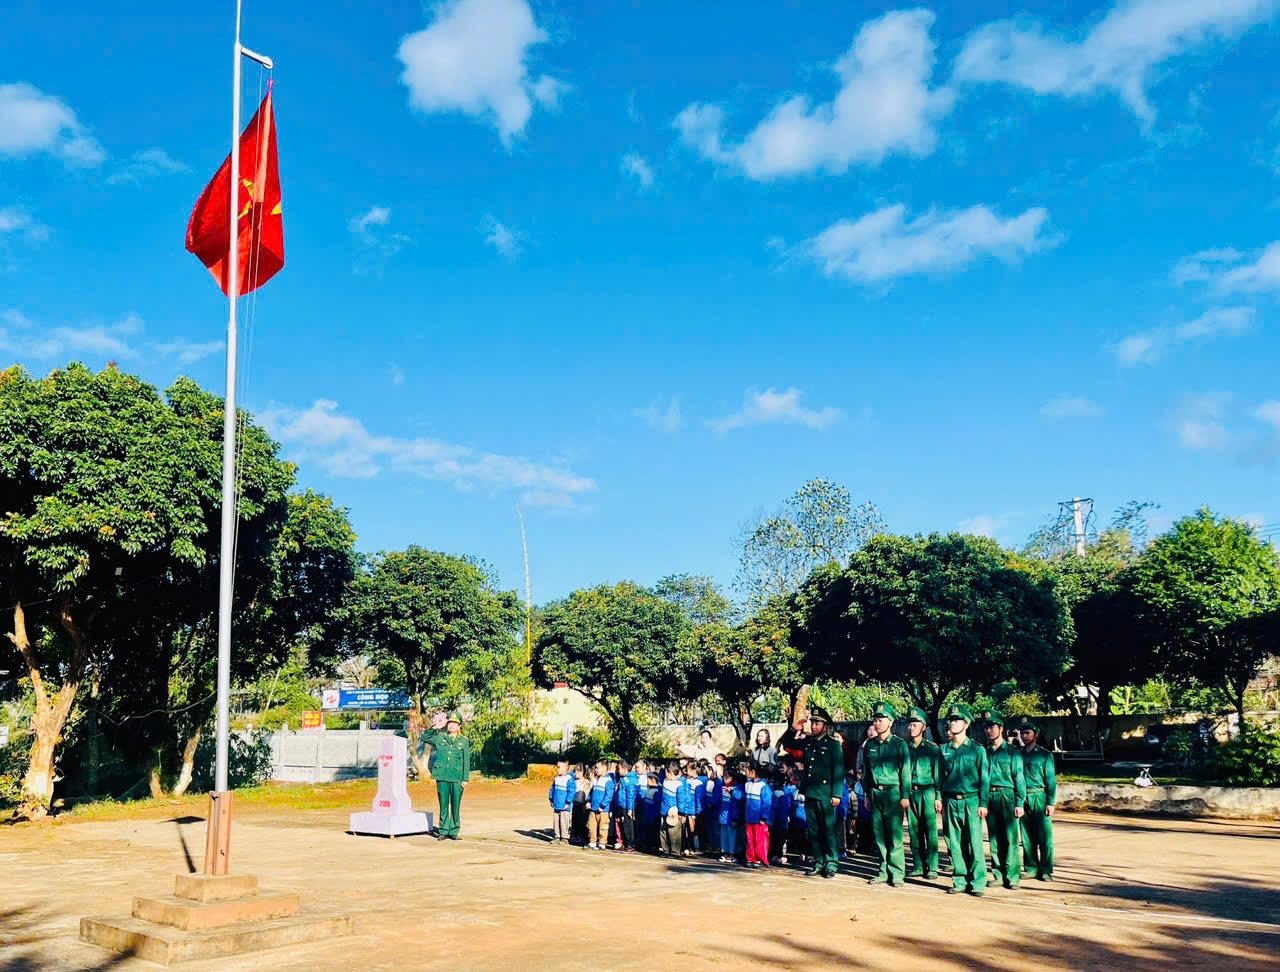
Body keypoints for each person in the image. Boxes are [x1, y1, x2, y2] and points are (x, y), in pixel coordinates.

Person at [781, 706, 845, 878]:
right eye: (812, 722)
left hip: (826, 793)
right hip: (810, 792)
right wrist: (794, 728)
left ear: (825, 726)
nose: (813, 725)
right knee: (814, 830)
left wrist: (836, 794)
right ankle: (819, 861)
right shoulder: (808, 742)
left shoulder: (833, 745)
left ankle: (831, 863)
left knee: (828, 830)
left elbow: (838, 770)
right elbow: (787, 745)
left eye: (817, 723)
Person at [939, 703, 989, 896]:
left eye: (957, 720)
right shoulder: (944, 750)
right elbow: (940, 777)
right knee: (955, 843)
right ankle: (960, 879)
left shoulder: (977, 750)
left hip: (972, 800)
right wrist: (940, 798)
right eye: (951, 720)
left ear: (966, 724)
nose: (952, 723)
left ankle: (978, 882)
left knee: (975, 842)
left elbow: (984, 778)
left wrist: (984, 803)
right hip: (951, 800)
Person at [862, 701, 911, 886]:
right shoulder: (869, 745)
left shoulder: (899, 745)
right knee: (879, 834)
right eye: (875, 719)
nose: (877, 722)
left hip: (893, 793)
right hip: (875, 793)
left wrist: (905, 796)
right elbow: (866, 772)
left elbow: (905, 773)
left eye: (881, 719)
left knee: (895, 835)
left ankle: (897, 873)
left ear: (890, 722)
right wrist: (867, 794)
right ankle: (883, 870)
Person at [979, 709, 1025, 889]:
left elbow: (1019, 777)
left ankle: (1013, 876)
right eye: (986, 727)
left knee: (1011, 838)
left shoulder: (1013, 751)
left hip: (1007, 795)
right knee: (994, 838)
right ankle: (998, 874)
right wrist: (983, 802)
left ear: (1001, 728)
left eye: (992, 726)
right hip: (989, 796)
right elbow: (981, 778)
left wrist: (1019, 803)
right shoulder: (984, 752)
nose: (989, 730)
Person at [904, 706, 942, 878]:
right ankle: (918, 865)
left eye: (915, 723)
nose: (911, 727)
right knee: (913, 830)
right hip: (911, 792)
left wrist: (938, 797)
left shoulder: (932, 749)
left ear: (923, 727)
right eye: (910, 724)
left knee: (930, 830)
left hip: (928, 792)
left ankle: (932, 866)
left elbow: (938, 775)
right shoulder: (905, 748)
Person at [1017, 717, 1057, 881]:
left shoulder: (1044, 755)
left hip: (1039, 796)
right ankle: (1031, 868)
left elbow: (1051, 780)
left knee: (1044, 836)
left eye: (1028, 733)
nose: (1024, 736)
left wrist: (1050, 802)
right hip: (1022, 796)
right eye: (1022, 733)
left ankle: (1046, 869)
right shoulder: (1017, 754)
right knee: (1026, 835)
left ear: (1036, 734)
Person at [423, 711, 471, 840]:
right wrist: (436, 727)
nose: (451, 726)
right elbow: (425, 738)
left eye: (455, 724)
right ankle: (443, 831)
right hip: (442, 776)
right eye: (450, 723)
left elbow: (466, 760)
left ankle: (454, 831)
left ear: (459, 726)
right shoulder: (440, 737)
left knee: (455, 805)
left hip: (456, 777)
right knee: (443, 804)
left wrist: (465, 778)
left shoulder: (464, 741)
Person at [742, 762, 774, 868]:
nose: (745, 772)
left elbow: (767, 803)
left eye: (747, 770)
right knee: (750, 839)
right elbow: (742, 797)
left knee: (760, 839)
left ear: (753, 771)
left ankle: (760, 858)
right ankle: (751, 857)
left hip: (759, 819)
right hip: (749, 817)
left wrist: (764, 817)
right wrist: (732, 793)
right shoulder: (747, 784)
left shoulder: (763, 786)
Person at [660, 760, 687, 857]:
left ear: (671, 773)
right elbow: (660, 777)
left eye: (666, 772)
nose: (665, 774)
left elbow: (681, 800)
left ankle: (675, 852)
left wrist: (682, 813)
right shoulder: (665, 781)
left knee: (674, 833)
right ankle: (665, 850)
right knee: (663, 832)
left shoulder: (679, 784)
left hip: (673, 813)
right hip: (664, 811)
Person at [612, 759, 639, 851]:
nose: (618, 771)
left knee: (628, 826)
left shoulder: (630, 780)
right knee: (623, 825)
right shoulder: (623, 779)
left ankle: (631, 844)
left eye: (619, 769)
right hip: (621, 805)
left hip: (627, 806)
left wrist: (630, 809)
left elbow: (630, 795)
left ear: (625, 768)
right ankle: (625, 843)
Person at [588, 760, 615, 850]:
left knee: (603, 827)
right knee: (592, 826)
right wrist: (588, 801)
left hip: (603, 810)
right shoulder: (596, 779)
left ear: (604, 768)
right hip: (593, 808)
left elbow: (609, 795)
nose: (596, 769)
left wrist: (602, 806)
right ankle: (592, 842)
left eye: (597, 767)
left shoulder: (609, 781)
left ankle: (602, 843)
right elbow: (591, 792)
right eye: (595, 767)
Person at [548, 759, 575, 843]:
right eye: (557, 767)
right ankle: (557, 836)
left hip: (565, 806)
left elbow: (571, 792)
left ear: (565, 768)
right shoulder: (556, 779)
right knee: (556, 821)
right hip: (556, 805)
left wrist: (567, 802)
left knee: (564, 821)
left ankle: (565, 837)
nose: (557, 769)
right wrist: (551, 799)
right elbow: (552, 789)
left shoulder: (569, 779)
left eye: (559, 767)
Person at [769, 769, 791, 865]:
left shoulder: (780, 794)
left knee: (779, 840)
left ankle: (781, 856)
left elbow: (783, 810)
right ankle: (777, 855)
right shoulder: (783, 793)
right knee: (777, 839)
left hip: (779, 822)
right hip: (778, 821)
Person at [570, 763, 591, 845]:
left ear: (583, 772)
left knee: (581, 821)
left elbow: (586, 794)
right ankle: (575, 836)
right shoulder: (573, 781)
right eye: (575, 771)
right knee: (574, 821)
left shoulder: (586, 782)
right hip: (574, 805)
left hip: (582, 806)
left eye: (579, 771)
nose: (577, 773)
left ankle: (582, 837)